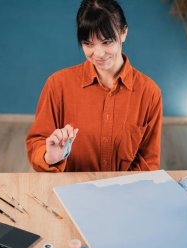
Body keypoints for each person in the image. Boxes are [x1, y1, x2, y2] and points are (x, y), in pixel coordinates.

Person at [26, 0, 162, 172]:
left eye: (106, 42)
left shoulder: (149, 93)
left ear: (123, 33)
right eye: (88, 44)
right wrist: (50, 156)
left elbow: (148, 162)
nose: (98, 54)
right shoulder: (57, 85)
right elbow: (36, 144)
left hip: (125, 194)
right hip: (69, 192)